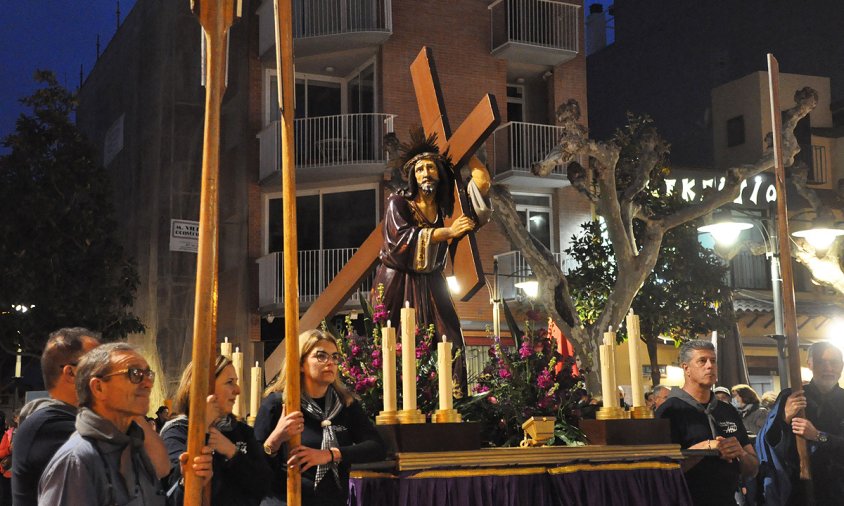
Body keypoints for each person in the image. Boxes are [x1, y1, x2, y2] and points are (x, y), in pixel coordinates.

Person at [371, 128, 490, 394]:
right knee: (401, 345)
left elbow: (481, 184)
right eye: (420, 169)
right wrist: (447, 232)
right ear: (412, 176)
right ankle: (402, 400)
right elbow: (398, 242)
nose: (426, 173)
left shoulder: (449, 208)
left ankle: (453, 400)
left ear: (440, 173)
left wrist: (466, 151)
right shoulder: (399, 204)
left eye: (431, 168)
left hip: (433, 281)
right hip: (399, 282)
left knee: (452, 341)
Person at [38, 342, 213, 505]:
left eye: (149, 375)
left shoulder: (134, 450)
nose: (148, 384)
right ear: (98, 387)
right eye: (135, 374)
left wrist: (186, 483)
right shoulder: (77, 461)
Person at [254, 329, 386, 506]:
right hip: (286, 501)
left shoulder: (345, 404)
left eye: (334, 357)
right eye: (321, 356)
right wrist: (276, 437)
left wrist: (330, 454)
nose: (330, 362)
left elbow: (377, 448)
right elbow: (253, 466)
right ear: (300, 363)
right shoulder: (278, 404)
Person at [161, 355, 274, 505]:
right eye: (229, 383)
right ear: (205, 387)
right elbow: (178, 492)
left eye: (236, 382)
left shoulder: (241, 431)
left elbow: (263, 485)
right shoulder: (177, 432)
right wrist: (203, 428)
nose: (238, 390)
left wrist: (232, 453)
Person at [656, 340, 758, 506]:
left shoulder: (728, 410)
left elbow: (752, 469)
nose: (710, 366)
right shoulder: (669, 412)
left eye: (713, 360)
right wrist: (704, 448)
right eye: (702, 361)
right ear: (686, 368)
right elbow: (661, 472)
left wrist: (741, 453)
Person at [11, 327, 101, 506]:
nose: (109, 372)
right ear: (70, 373)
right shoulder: (51, 425)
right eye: (99, 364)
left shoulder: (73, 420)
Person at [756, 341, 844, 505]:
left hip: (838, 489)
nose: (829, 368)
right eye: (821, 362)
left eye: (834, 362)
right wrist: (784, 418)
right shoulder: (791, 397)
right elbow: (765, 442)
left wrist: (818, 436)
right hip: (797, 489)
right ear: (810, 364)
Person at [0, 412, 16, 505]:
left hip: (17, 472)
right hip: (6, 471)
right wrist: (9, 450)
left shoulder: (25, 434)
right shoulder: (7, 435)